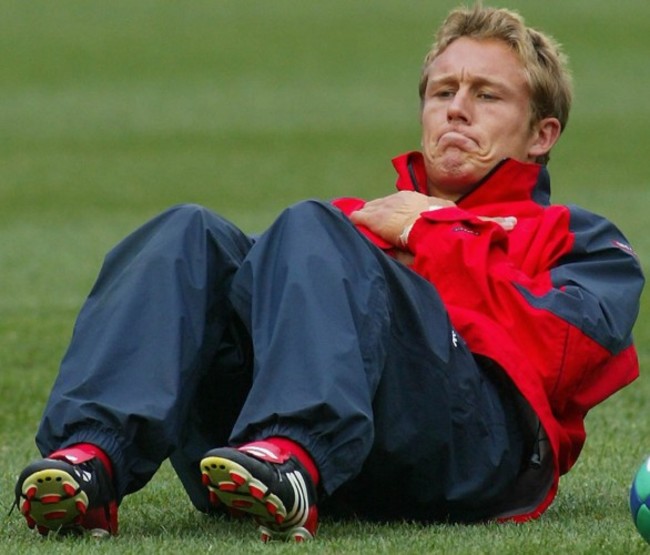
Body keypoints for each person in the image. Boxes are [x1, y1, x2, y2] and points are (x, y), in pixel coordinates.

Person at [13, 3, 644, 543]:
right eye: (442, 92)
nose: (456, 110)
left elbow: (564, 350)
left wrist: (429, 234)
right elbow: (234, 300)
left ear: (542, 134)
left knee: (316, 226)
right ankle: (93, 460)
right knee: (188, 235)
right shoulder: (353, 227)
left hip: (475, 459)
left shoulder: (581, 238)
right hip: (356, 448)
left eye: (486, 95)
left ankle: (293, 453)